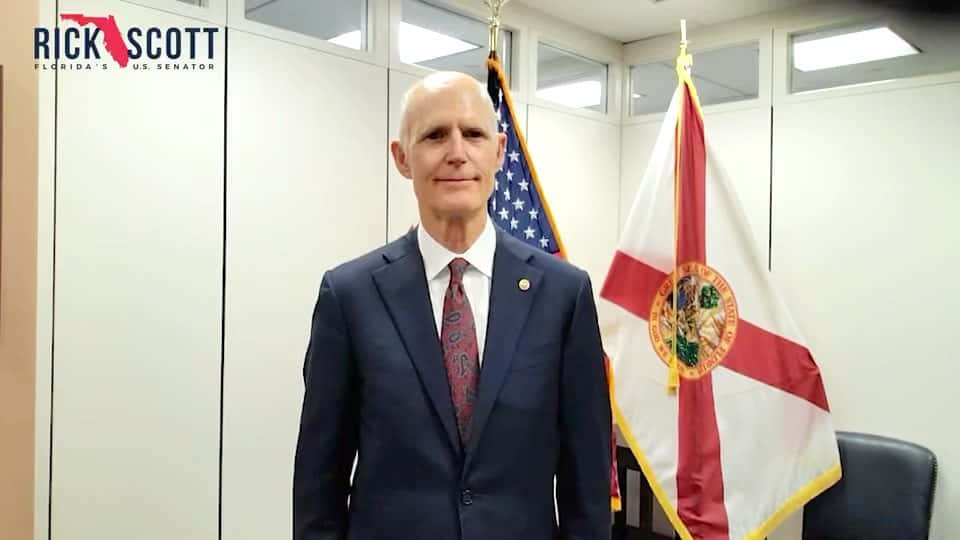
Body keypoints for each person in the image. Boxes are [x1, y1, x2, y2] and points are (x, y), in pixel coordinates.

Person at [293, 71, 611, 540]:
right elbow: (319, 487)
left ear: (499, 151)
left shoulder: (563, 296)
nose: (457, 153)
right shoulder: (349, 297)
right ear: (402, 158)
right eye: (435, 135)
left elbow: (587, 490)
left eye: (474, 134)